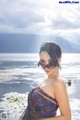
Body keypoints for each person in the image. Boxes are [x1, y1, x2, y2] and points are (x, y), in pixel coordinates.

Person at [20, 42, 71, 120]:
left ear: (59, 60)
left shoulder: (58, 84)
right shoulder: (45, 80)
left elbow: (67, 117)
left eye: (51, 63)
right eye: (42, 62)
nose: (46, 67)